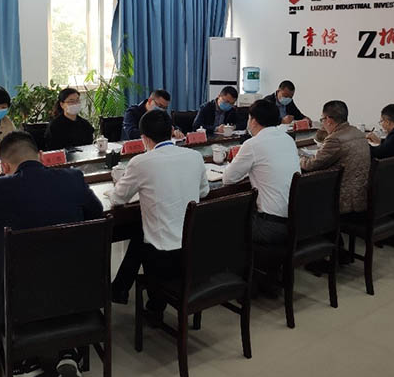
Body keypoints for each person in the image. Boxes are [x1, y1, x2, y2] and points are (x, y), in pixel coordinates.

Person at [0, 131, 103, 377]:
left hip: (18, 297)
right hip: (74, 289)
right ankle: (67, 352)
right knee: (56, 269)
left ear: (4, 166)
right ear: (41, 156)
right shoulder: (73, 178)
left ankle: (25, 364)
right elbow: (96, 212)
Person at [110, 109, 208, 310]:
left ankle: (150, 304)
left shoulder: (141, 162)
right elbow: (204, 191)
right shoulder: (195, 156)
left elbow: (117, 199)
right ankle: (122, 290)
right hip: (193, 247)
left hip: (162, 255)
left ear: (144, 138)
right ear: (172, 131)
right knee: (141, 230)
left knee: (141, 231)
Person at [222, 99, 300, 245]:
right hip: (295, 221)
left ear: (254, 121)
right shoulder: (288, 139)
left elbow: (228, 178)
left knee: (223, 221)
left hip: (270, 226)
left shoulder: (253, 144)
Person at [300, 100, 370, 214]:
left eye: (322, 119)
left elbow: (312, 165)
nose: (322, 123)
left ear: (329, 120)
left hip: (343, 198)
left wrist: (300, 160)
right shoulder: (358, 132)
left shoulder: (335, 139)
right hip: (361, 194)